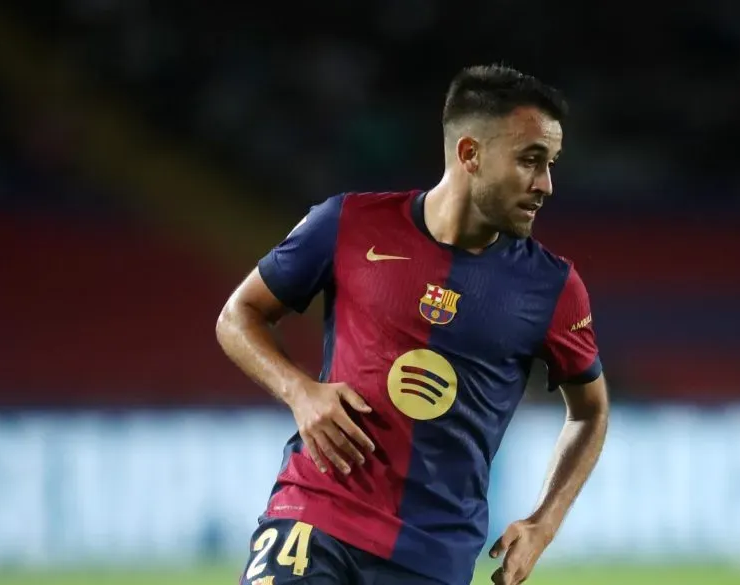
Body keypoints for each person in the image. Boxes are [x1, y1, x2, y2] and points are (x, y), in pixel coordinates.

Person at [216, 63, 609, 585]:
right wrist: (299, 391)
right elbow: (237, 316)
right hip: (315, 517)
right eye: (531, 161)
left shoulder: (552, 288)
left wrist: (543, 524)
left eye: (551, 163)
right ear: (470, 153)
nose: (546, 184)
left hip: (431, 558)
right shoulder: (348, 224)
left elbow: (590, 412)